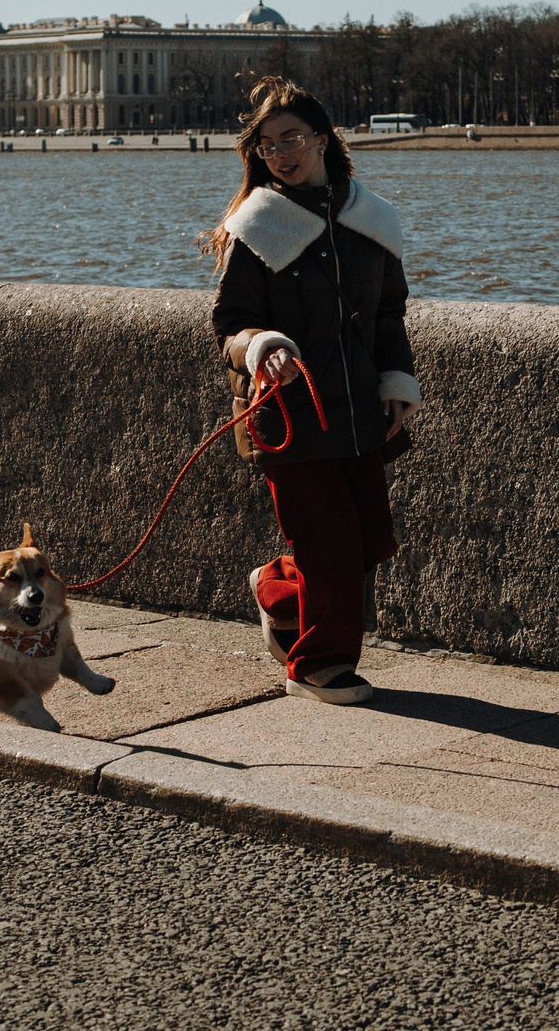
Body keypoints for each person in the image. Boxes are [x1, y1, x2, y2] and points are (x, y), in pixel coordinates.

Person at [203, 77, 421, 705]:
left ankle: (276, 587)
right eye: (268, 146)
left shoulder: (371, 219)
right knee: (330, 542)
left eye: (292, 138)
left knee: (372, 540)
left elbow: (389, 315)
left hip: (358, 405)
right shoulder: (256, 226)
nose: (282, 153)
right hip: (288, 412)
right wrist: (262, 345)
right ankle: (317, 665)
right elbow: (229, 326)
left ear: (322, 139)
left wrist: (397, 381)